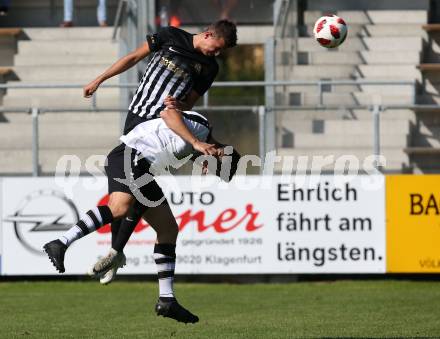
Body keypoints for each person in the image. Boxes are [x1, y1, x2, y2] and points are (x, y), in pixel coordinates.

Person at [43, 20, 238, 324]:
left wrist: (183, 117)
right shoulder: (171, 38)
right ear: (210, 34)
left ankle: (165, 297)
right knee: (122, 204)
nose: (216, 55)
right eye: (217, 48)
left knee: (164, 225)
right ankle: (73, 244)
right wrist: (100, 79)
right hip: (141, 131)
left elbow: (183, 106)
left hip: (155, 138)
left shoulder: (208, 71)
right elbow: (136, 61)